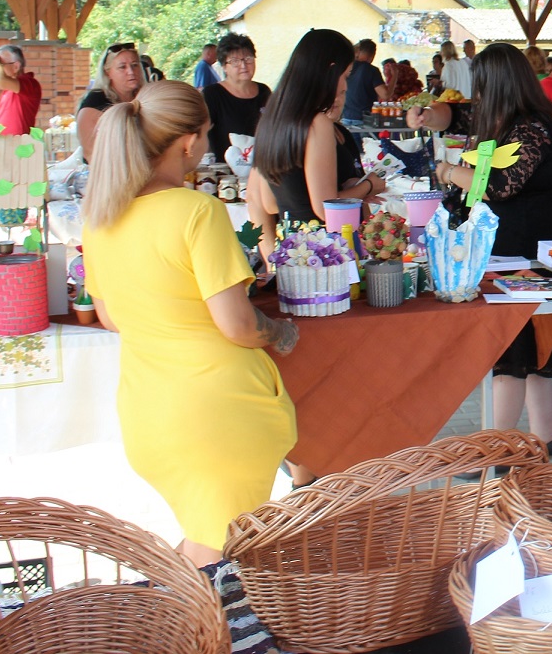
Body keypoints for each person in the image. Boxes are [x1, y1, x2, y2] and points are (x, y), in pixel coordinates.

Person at [81, 80, 298, 567]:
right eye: (206, 133)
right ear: (187, 143)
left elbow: (111, 317)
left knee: (200, 541)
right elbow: (238, 325)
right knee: (215, 558)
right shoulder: (197, 211)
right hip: (216, 417)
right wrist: (279, 333)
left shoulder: (99, 220)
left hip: (149, 414)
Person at [415, 44, 552, 453]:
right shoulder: (503, 119)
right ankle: (545, 437)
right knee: (532, 349)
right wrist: (431, 115)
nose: (477, 95)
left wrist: (450, 171)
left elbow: (500, 185)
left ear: (497, 85)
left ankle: (495, 448)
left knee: (514, 352)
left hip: (527, 249)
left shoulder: (533, 129)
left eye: (481, 86)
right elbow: (456, 113)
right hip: (509, 244)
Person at [251, 30, 387, 237]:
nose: (344, 87)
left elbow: (270, 204)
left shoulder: (270, 122)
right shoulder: (317, 124)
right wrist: (368, 186)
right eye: (345, 76)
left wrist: (351, 189)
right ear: (330, 70)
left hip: (291, 249)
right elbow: (326, 208)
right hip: (326, 251)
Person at [202, 32, 271, 160]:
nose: (243, 66)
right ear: (224, 67)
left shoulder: (264, 91)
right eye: (235, 61)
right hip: (226, 174)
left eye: (248, 59)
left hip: (261, 166)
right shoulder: (212, 94)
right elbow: (201, 134)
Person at [77, 42, 145, 160]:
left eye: (135, 65)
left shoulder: (144, 97)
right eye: (122, 67)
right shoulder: (96, 100)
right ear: (107, 72)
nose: (130, 71)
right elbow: (90, 151)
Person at [0, 44, 42, 136]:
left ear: (16, 66)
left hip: (17, 144)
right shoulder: (11, 87)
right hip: (3, 142)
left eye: (1, 64)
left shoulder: (29, 83)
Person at [340, 38, 388, 122]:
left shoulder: (344, 67)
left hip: (345, 117)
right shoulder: (371, 70)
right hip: (365, 119)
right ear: (372, 54)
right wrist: (395, 76)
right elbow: (385, 95)